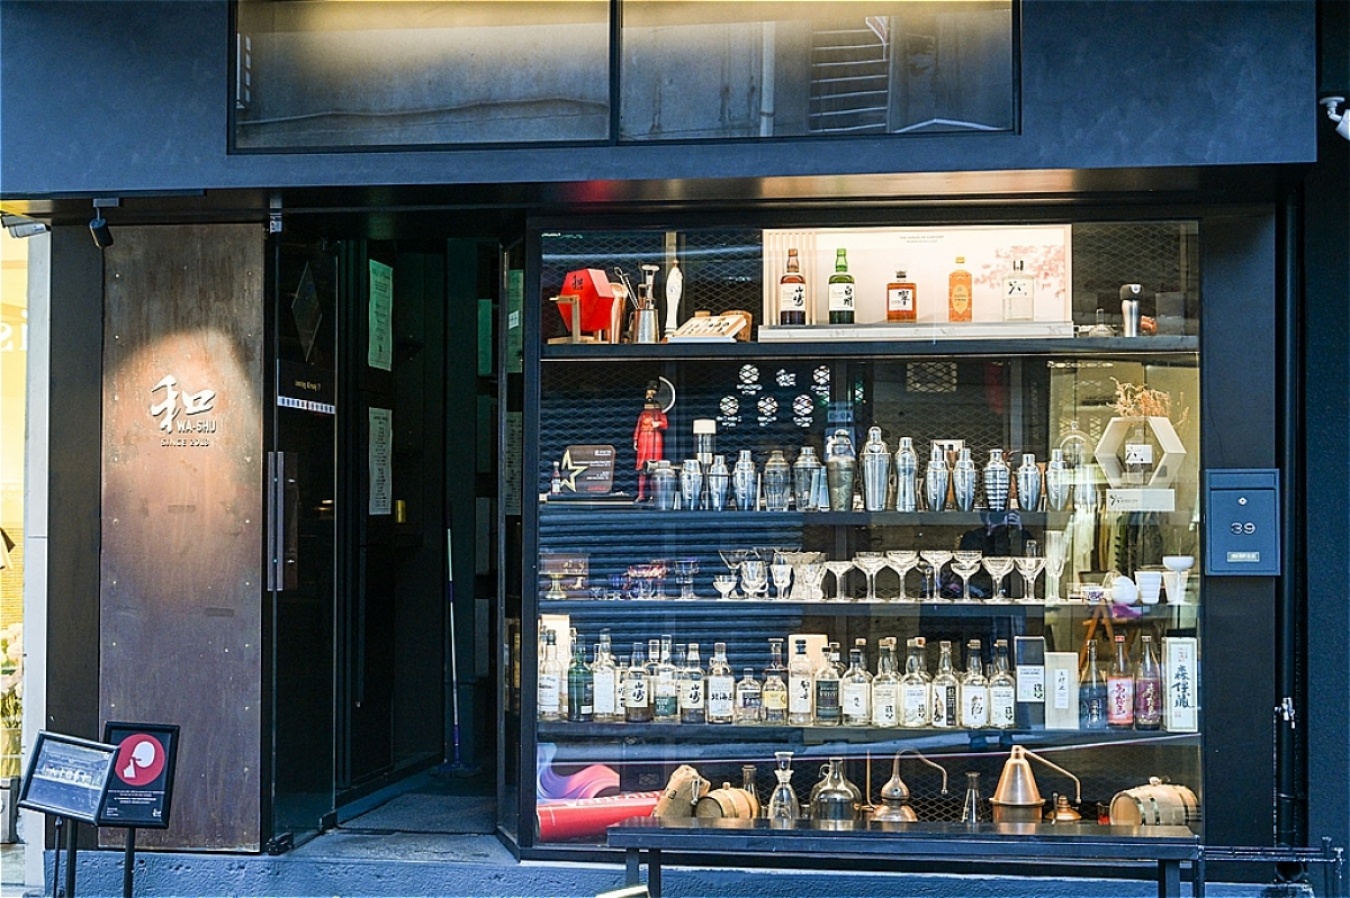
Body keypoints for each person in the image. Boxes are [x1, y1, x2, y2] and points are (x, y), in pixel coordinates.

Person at [632, 381, 667, 500]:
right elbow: (638, 427)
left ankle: (653, 494)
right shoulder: (643, 413)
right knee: (642, 467)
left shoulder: (659, 413)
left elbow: (665, 424)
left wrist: (658, 424)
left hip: (654, 439)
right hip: (643, 439)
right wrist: (636, 440)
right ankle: (641, 494)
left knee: (654, 466)